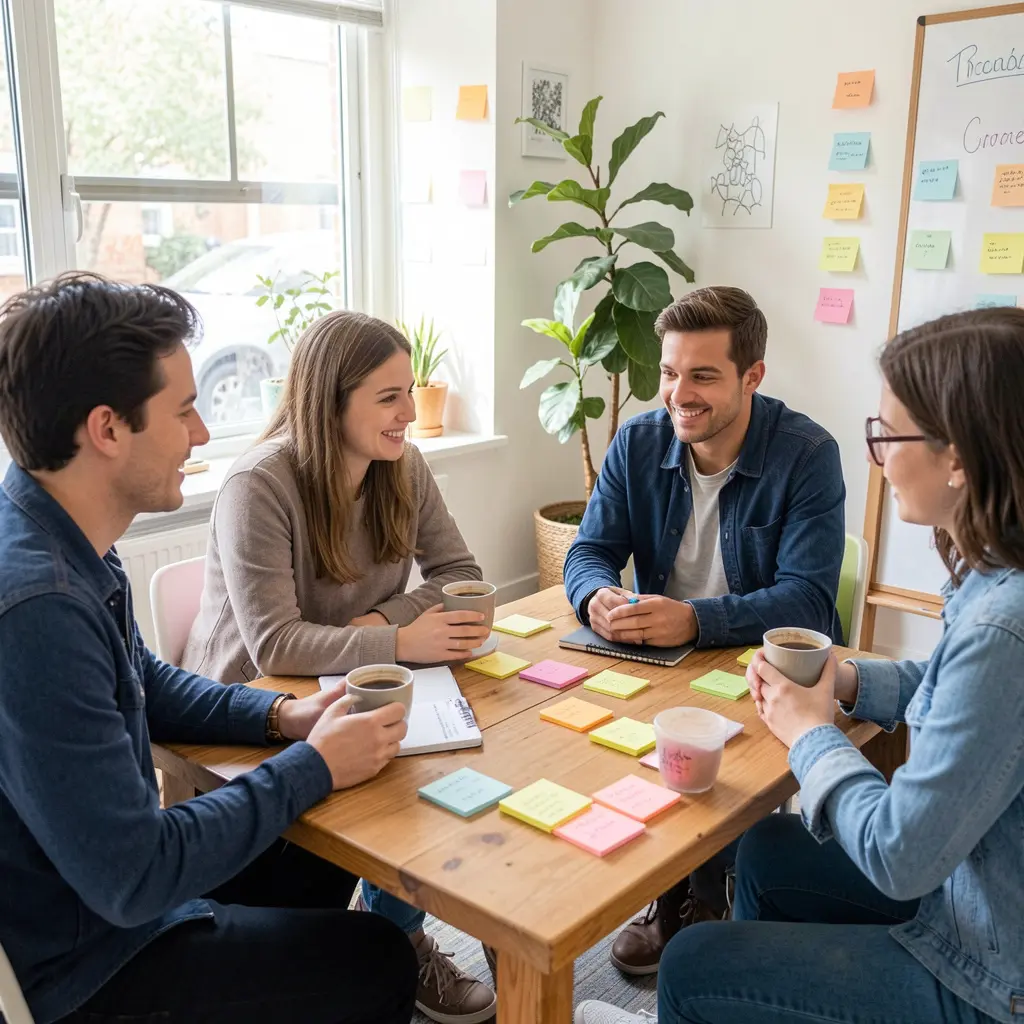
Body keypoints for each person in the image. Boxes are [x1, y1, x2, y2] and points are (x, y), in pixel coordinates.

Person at [576, 306, 1024, 1024]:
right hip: (977, 898)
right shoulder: (997, 581)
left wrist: (812, 730)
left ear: (960, 458)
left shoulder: (1005, 624)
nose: (878, 454)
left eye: (890, 432)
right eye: (669, 373)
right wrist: (848, 680)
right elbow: (952, 685)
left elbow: (899, 857)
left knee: (692, 964)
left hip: (983, 971)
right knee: (770, 847)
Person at [0, 273, 418, 1024]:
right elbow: (135, 874)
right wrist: (314, 765)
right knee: (377, 959)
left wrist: (282, 718)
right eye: (184, 411)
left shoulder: (62, 537)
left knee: (317, 847)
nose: (199, 435)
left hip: (112, 902)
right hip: (90, 964)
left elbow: (148, 684)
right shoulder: (40, 609)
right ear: (106, 429)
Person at [181, 309, 497, 1023]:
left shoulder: (401, 464)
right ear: (331, 402)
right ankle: (400, 940)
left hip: (353, 684)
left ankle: (401, 932)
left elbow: (460, 573)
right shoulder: (260, 483)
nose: (410, 413)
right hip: (250, 706)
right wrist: (402, 642)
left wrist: (384, 620)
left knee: (453, 762)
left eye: (410, 390)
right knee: (398, 780)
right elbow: (275, 644)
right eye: (389, 397)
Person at [563, 286, 846, 975]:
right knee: (580, 741)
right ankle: (676, 888)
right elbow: (587, 550)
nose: (677, 394)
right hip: (658, 655)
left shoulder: (807, 453)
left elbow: (808, 602)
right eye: (668, 372)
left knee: (712, 756)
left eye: (703, 375)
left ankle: (706, 887)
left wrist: (694, 618)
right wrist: (594, 594)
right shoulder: (637, 442)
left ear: (753, 376)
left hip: (762, 664)